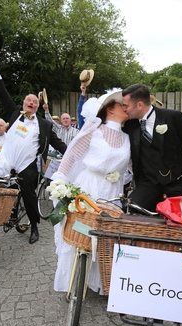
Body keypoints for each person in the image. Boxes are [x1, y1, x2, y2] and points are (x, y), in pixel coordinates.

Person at [0, 53, 67, 244]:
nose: (31, 103)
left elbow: (58, 143)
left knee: (28, 194)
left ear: (37, 106)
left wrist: (74, 154)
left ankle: (34, 227)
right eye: (28, 101)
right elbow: (1, 91)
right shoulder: (13, 114)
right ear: (23, 104)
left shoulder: (44, 124)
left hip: (28, 165)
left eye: (34, 102)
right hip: (6, 158)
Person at [52, 90, 130, 293]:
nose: (127, 107)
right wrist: (60, 181)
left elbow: (129, 168)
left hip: (112, 193)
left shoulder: (129, 138)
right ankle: (73, 278)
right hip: (89, 186)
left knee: (104, 237)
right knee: (82, 231)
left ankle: (98, 281)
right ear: (110, 108)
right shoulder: (95, 129)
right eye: (123, 104)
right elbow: (72, 155)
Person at [121, 83, 182, 212]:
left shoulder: (172, 117)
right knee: (132, 209)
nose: (123, 109)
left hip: (178, 180)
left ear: (139, 105)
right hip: (150, 183)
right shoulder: (130, 124)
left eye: (125, 106)